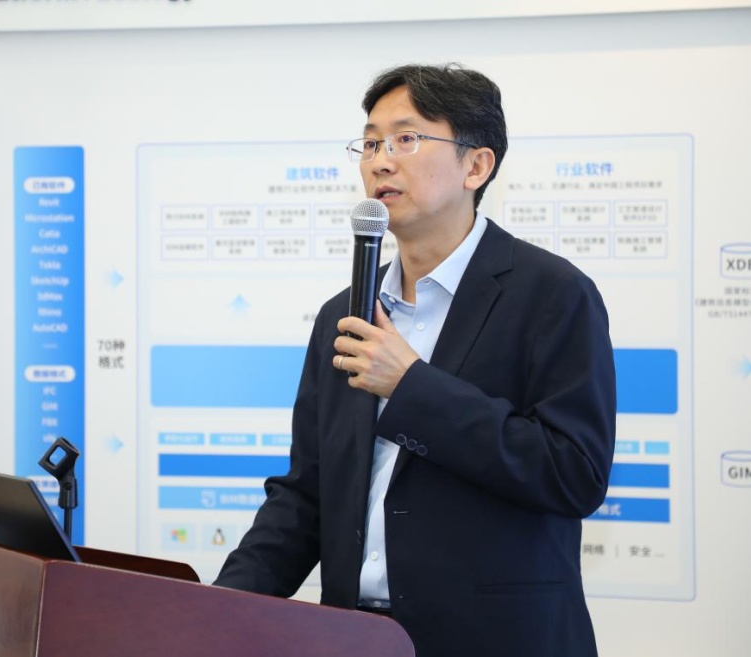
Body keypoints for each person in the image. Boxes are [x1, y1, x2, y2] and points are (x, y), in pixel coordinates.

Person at [214, 63, 616, 657]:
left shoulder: (553, 294)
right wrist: (218, 611)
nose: (380, 161)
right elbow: (307, 495)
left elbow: (573, 473)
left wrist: (411, 389)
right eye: (371, 143)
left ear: (476, 166)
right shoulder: (344, 313)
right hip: (355, 638)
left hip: (497, 640)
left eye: (405, 138)